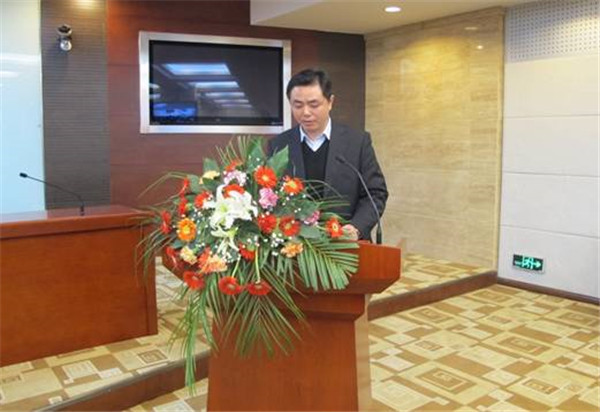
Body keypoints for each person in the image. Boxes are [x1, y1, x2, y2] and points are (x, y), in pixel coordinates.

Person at [268, 68, 388, 241]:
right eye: (298, 105)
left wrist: (356, 227)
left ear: (330, 102)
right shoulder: (278, 145)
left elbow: (375, 193)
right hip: (294, 245)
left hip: (345, 243)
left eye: (314, 105)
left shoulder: (357, 142)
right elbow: (270, 196)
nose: (306, 112)